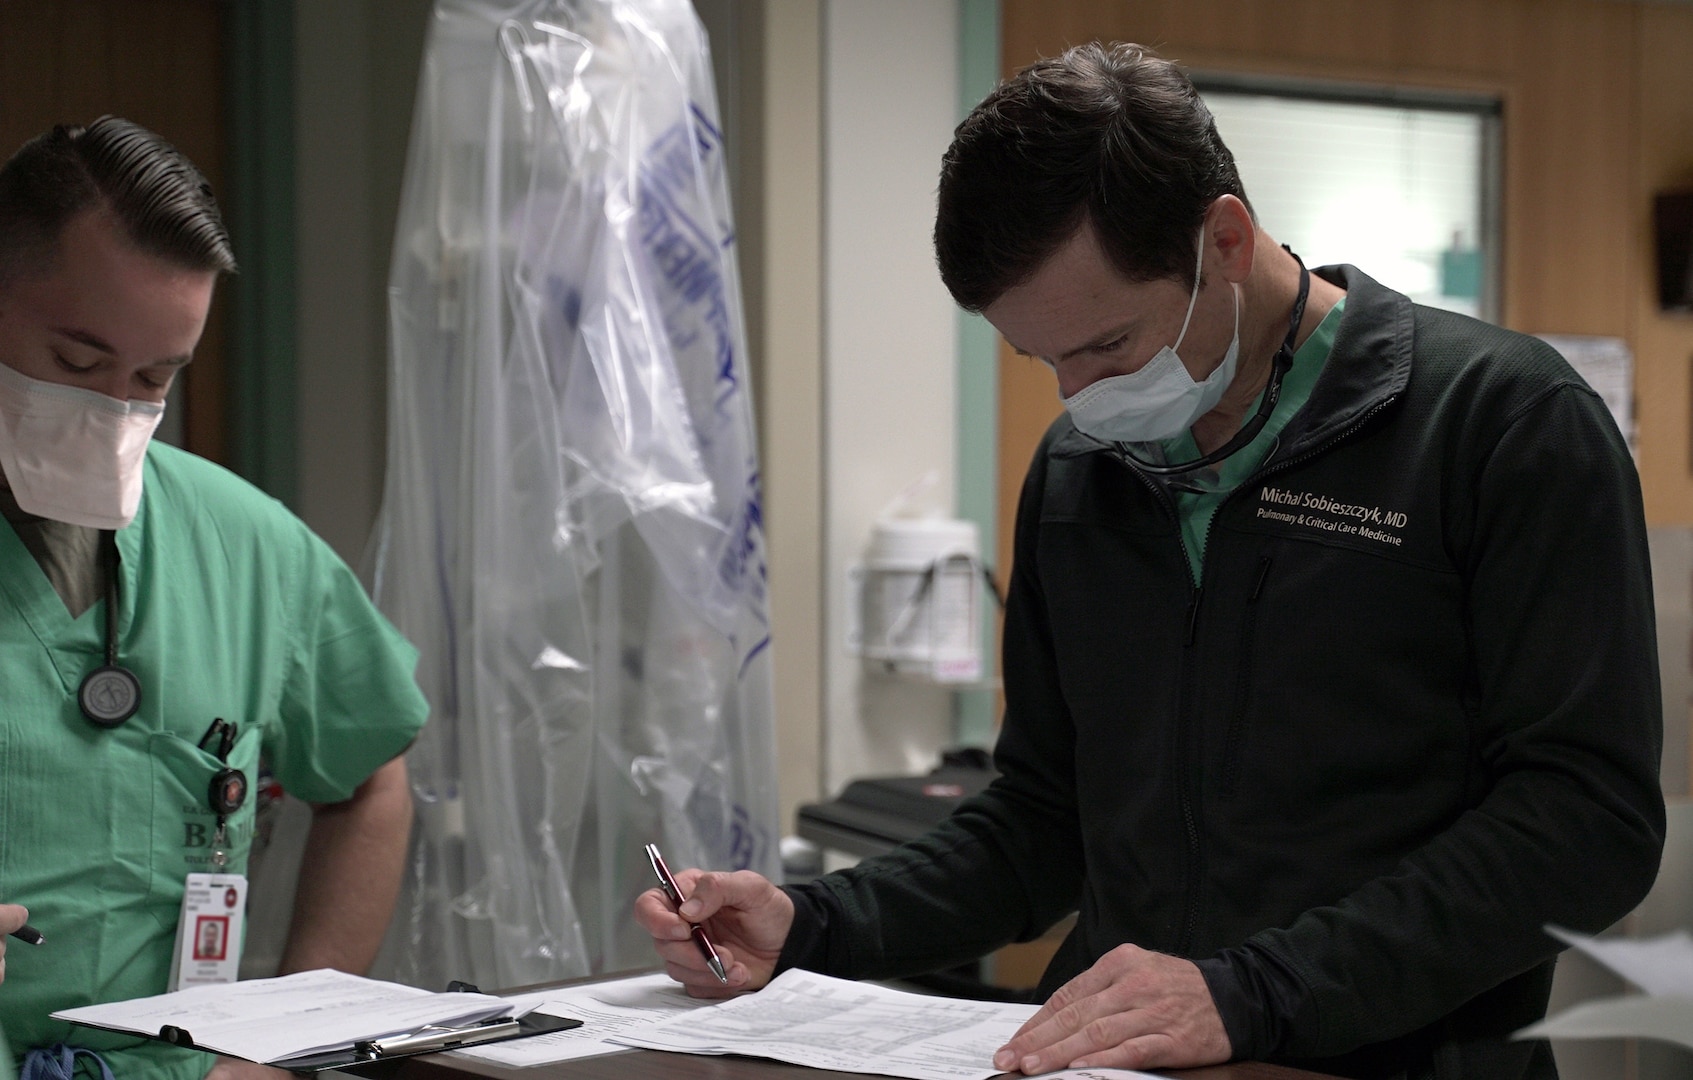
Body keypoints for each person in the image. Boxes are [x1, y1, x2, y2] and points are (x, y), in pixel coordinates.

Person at [635, 42, 1666, 1080]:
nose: (1077, 400)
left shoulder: (1498, 426)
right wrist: (813, 925)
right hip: (1118, 1064)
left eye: (1108, 347)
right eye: (1044, 361)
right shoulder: (1083, 473)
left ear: (1222, 237)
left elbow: (1585, 824)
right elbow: (1045, 819)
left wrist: (1256, 993)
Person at [0, 118, 430, 1079]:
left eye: (154, 378)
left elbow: (369, 777)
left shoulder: (240, 542)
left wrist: (288, 1037)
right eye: (77, 363)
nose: (115, 407)